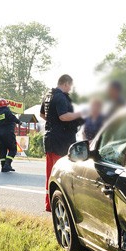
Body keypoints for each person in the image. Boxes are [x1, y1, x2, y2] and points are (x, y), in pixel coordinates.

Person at [43, 74, 83, 211]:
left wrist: (52, 120)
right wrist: (80, 114)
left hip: (50, 139)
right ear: (65, 84)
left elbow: (43, 114)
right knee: (62, 173)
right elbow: (64, 116)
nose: (70, 89)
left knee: (50, 173)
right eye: (70, 86)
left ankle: (49, 204)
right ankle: (62, 204)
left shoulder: (48, 95)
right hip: (61, 140)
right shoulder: (60, 96)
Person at [0, 99, 21, 172]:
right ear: (6, 104)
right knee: (13, 149)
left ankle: (3, 167)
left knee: (2, 150)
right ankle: (7, 164)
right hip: (8, 133)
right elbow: (12, 117)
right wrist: (20, 122)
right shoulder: (7, 111)